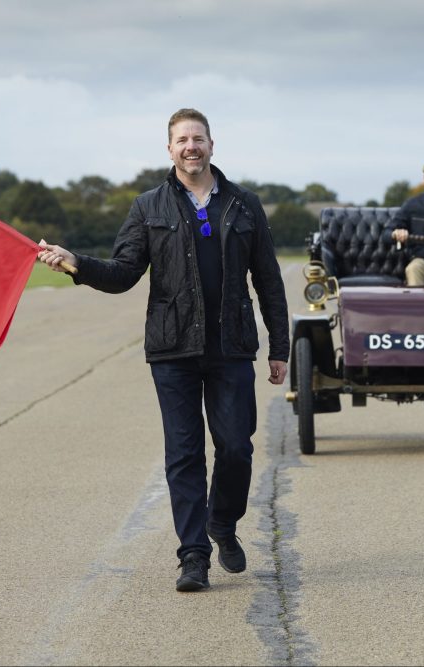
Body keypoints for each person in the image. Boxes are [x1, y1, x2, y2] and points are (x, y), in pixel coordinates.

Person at [37, 108, 290, 593]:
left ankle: (222, 523)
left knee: (236, 447)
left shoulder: (244, 204)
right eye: (181, 140)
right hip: (173, 348)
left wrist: (280, 346)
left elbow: (269, 281)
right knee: (184, 453)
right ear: (169, 149)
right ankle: (193, 556)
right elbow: (123, 273)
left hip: (232, 346)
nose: (190, 147)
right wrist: (77, 264)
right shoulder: (148, 206)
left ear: (212, 145)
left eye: (198, 138)